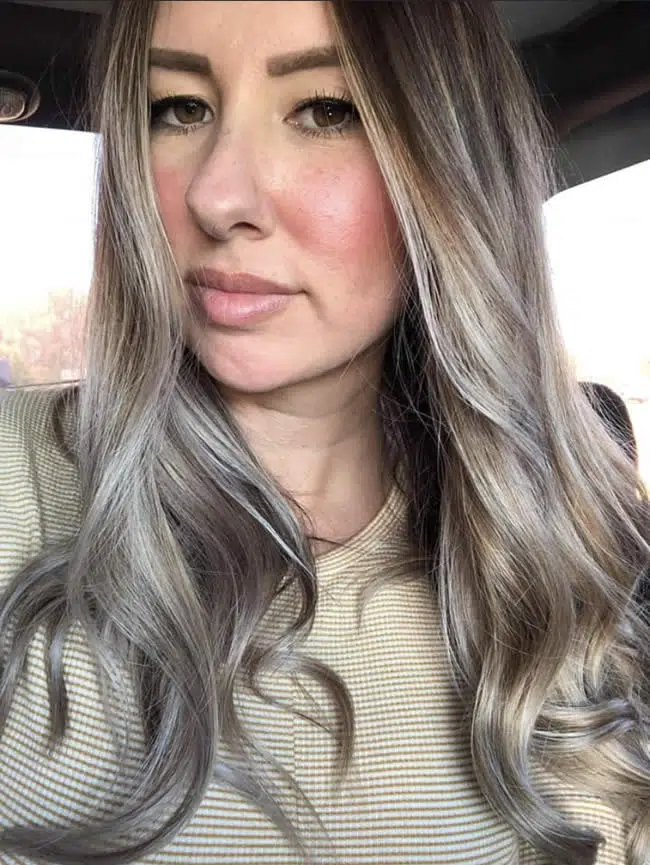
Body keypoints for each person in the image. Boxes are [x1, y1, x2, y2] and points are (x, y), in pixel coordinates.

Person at [0, 1, 649, 863]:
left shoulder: (583, 560)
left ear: (449, 169)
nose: (216, 196)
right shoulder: (18, 482)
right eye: (178, 108)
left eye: (326, 110)